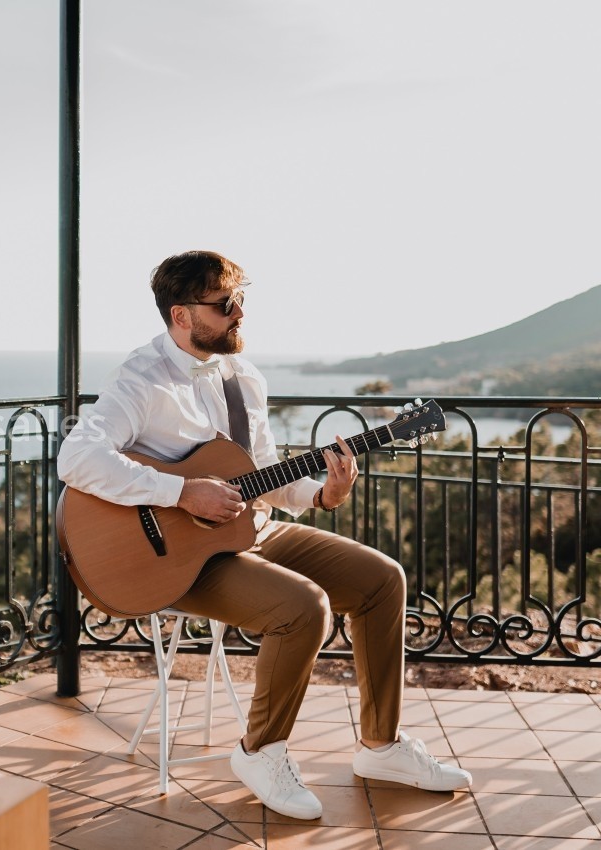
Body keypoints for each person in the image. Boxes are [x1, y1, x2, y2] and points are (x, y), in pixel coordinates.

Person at [57, 250, 470, 820]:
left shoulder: (244, 377)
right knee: (304, 607)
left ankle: (382, 746)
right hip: (172, 561)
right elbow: (76, 458)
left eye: (241, 300)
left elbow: (265, 476)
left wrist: (324, 494)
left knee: (382, 579)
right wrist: (180, 493)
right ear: (182, 315)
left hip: (249, 531)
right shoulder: (142, 378)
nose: (239, 313)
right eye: (226, 304)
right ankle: (261, 752)